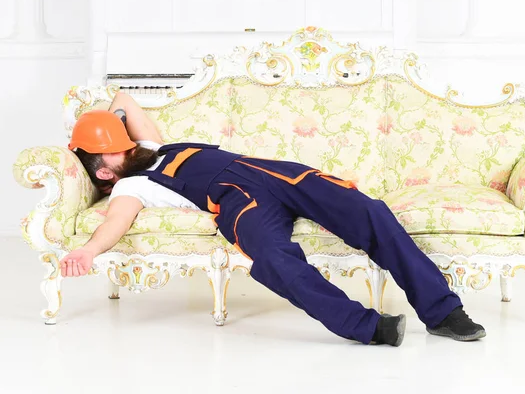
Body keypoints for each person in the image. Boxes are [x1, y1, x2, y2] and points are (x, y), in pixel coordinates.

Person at [60, 92, 486, 346]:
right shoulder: (130, 187)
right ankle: (367, 327)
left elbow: (123, 101)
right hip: (240, 202)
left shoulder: (154, 145)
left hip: (276, 172)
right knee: (273, 260)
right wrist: (88, 250)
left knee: (370, 211)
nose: (130, 142)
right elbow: (113, 224)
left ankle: (443, 312)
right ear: (103, 172)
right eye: (117, 147)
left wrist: (102, 131)